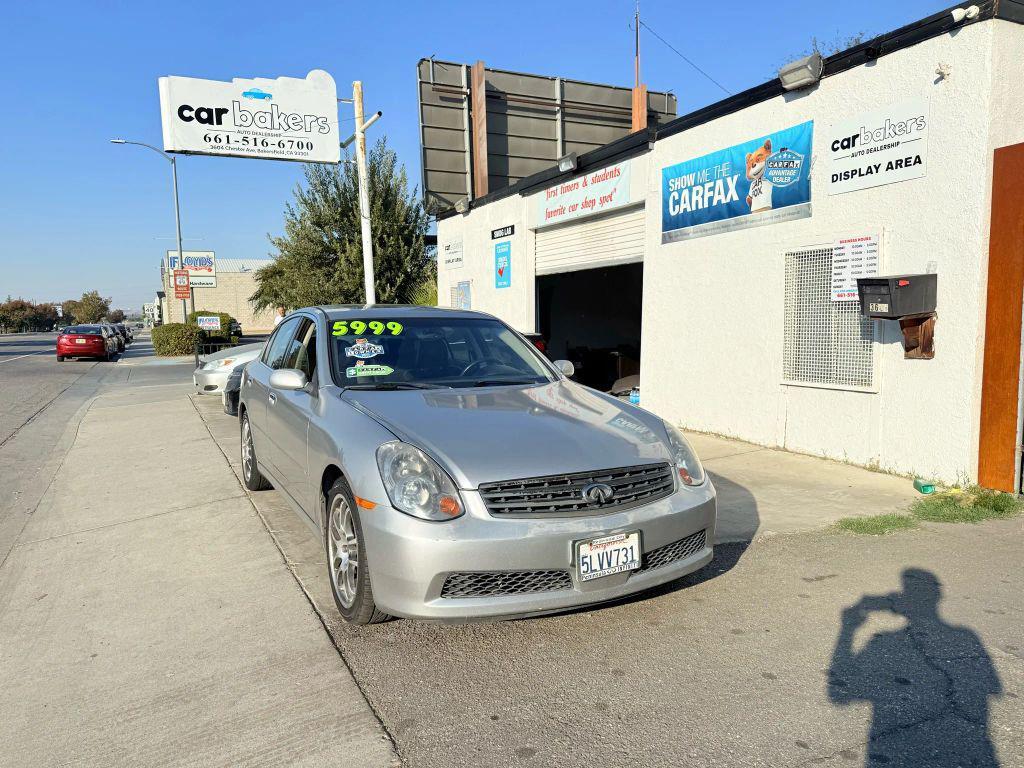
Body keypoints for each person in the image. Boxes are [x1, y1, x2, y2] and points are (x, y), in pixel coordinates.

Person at [829, 568, 1001, 767]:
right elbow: (990, 689)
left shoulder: (883, 641)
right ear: (937, 596)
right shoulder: (967, 636)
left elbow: (839, 695)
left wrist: (847, 628)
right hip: (976, 751)